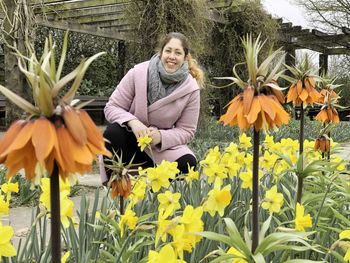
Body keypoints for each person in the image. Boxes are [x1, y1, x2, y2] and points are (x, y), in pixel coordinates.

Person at [100, 32, 204, 184]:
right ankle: (117, 188)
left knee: (188, 164)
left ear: (185, 57)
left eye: (178, 53)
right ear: (161, 52)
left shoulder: (191, 88)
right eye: (168, 51)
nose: (172, 57)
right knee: (112, 133)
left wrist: (160, 137)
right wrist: (133, 122)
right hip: (131, 139)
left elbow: (187, 131)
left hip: (160, 149)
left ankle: (152, 192)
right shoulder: (138, 73)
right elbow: (112, 107)